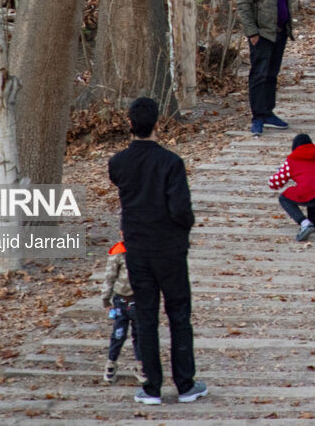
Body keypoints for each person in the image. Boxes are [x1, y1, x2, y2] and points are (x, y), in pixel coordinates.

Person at [107, 97, 206, 406]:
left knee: (146, 316)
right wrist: (185, 228)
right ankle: (185, 384)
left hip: (137, 249)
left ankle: (151, 387)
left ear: (130, 125)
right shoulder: (171, 163)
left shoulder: (118, 163)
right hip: (170, 250)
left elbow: (121, 186)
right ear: (157, 125)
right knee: (178, 315)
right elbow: (180, 209)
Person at [237, 0, 298, 135]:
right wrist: (252, 33)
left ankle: (268, 112)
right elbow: (243, 5)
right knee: (259, 75)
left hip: (279, 32)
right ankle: (257, 117)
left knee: (272, 74)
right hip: (262, 34)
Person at [100, 239, 146, 385]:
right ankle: (111, 363)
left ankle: (141, 365)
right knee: (118, 334)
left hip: (139, 301)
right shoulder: (118, 252)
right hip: (121, 301)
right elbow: (109, 277)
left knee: (139, 334)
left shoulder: (146, 248)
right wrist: (106, 299)